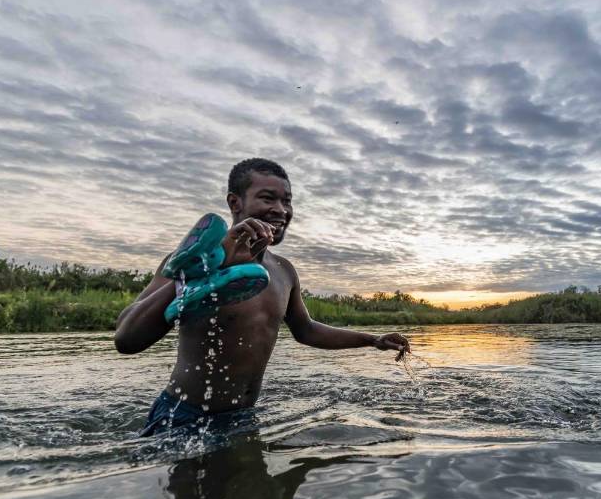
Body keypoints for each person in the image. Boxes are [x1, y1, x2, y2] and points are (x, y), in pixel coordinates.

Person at [114, 158, 410, 434]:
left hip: (244, 418)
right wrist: (209, 269)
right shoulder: (191, 262)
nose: (281, 210)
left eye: (287, 201)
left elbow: (305, 330)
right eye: (268, 198)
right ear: (235, 202)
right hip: (183, 418)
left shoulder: (283, 271)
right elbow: (126, 339)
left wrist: (371, 340)